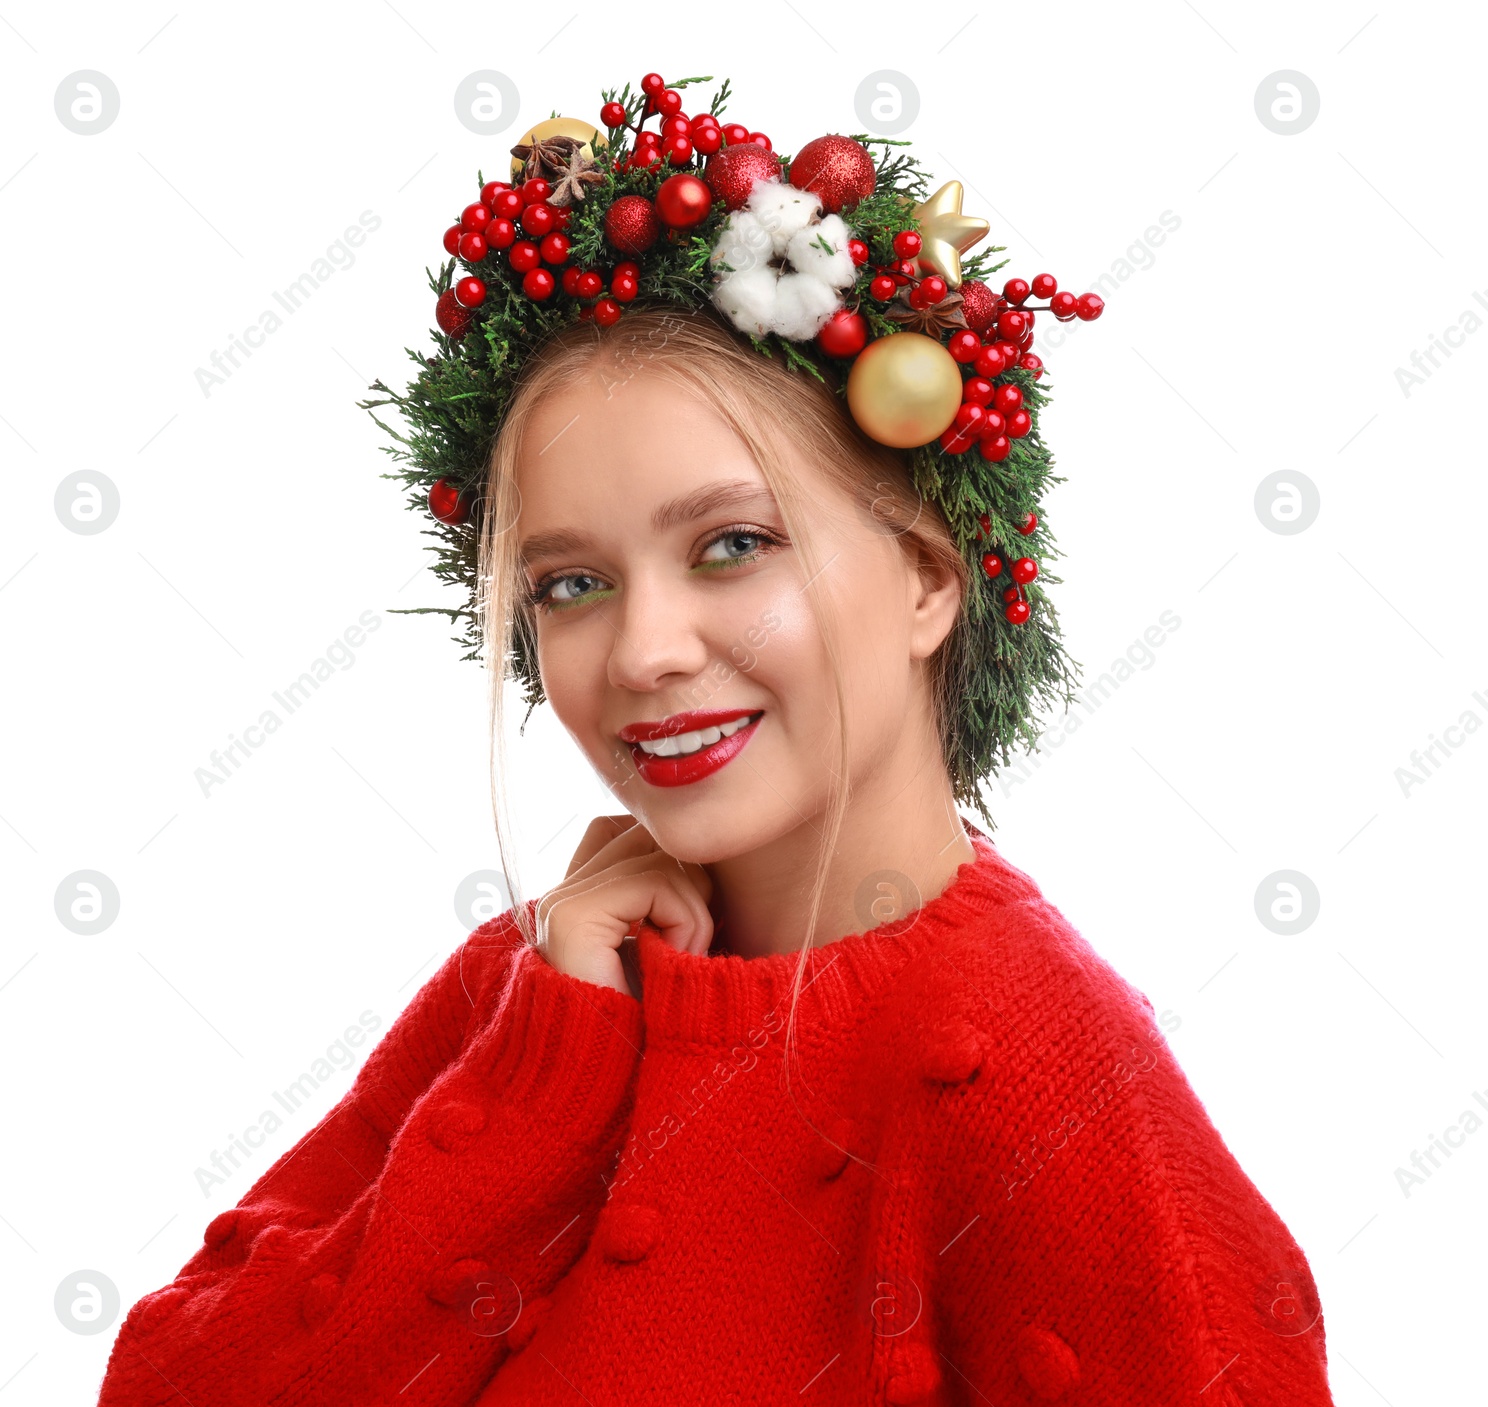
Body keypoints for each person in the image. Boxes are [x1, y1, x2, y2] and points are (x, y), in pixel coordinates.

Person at [96, 71, 1335, 1407]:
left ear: (930, 578)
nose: (640, 652)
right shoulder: (535, 990)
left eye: (733, 546)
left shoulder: (1044, 1073)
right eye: (570, 584)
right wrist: (543, 1083)